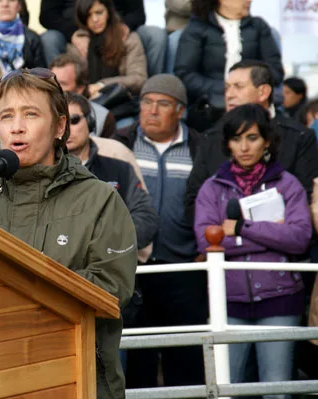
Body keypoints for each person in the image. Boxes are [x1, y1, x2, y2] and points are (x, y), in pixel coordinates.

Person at [0, 67, 137, 399]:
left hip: (76, 381)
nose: (17, 126)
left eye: (31, 114)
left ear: (59, 126)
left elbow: (112, 289)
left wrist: (21, 289)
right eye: (6, 116)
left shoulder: (99, 200)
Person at [195, 104, 312, 394]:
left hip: (280, 298)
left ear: (267, 140)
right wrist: (272, 234)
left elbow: (299, 237)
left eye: (252, 137)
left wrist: (241, 228)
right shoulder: (211, 188)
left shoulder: (289, 185)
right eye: (236, 139)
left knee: (277, 390)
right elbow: (207, 242)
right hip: (229, 301)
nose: (244, 147)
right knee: (227, 388)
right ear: (227, 144)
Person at [113, 74, 207, 388]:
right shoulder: (122, 143)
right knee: (139, 360)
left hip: (184, 267)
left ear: (180, 111)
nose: (152, 110)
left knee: (185, 358)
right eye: (147, 102)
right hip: (135, 268)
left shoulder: (200, 147)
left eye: (162, 104)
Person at [185, 60, 318, 225]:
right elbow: (193, 201)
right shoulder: (210, 138)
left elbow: (308, 201)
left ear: (263, 92)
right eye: (227, 87)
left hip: (281, 245)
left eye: (238, 87)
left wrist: (257, 233)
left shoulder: (300, 137)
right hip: (226, 244)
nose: (229, 95)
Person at [66, 92, 158, 252]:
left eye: (73, 120)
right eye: (60, 122)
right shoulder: (43, 171)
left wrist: (108, 243)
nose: (66, 129)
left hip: (112, 266)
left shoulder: (120, 169)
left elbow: (146, 220)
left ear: (91, 122)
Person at [174, 0, 283, 110]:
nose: (249, 0)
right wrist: (228, 88)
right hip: (210, 103)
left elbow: (275, 71)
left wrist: (250, 88)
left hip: (254, 103)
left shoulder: (258, 26)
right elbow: (186, 75)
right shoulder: (197, 29)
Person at [39, 0, 167, 76]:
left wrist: (122, 27)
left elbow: (138, 14)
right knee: (49, 39)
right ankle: (59, 94)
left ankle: (153, 93)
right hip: (73, 32)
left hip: (118, 27)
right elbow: (47, 15)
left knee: (156, 35)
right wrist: (72, 34)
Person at [75, 0, 148, 99]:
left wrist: (102, 85)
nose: (95, 19)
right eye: (88, 16)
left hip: (122, 100)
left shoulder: (128, 39)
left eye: (99, 12)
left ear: (108, 12)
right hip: (87, 103)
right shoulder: (79, 42)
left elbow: (138, 79)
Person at [50, 53, 116, 138]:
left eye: (62, 84)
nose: (54, 88)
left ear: (80, 88)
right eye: (51, 83)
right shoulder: (34, 111)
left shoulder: (103, 118)